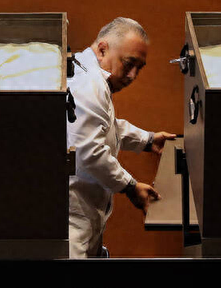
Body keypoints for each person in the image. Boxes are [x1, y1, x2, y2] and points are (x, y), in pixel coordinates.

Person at [67, 17, 176, 258]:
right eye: (128, 64)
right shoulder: (90, 84)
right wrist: (130, 187)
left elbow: (105, 126)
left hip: (83, 213)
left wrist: (148, 140)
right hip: (73, 219)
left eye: (140, 68)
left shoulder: (87, 73)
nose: (133, 75)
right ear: (103, 49)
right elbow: (90, 152)